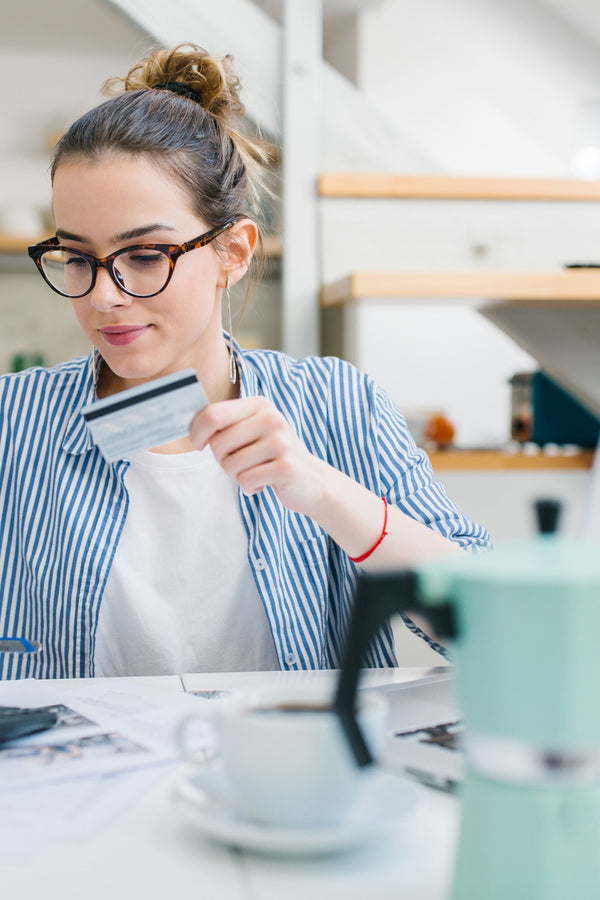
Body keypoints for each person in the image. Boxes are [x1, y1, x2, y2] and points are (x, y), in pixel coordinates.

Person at [0, 45, 490, 680]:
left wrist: (323, 492)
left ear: (232, 252)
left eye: (145, 255)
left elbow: (494, 634)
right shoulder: (15, 419)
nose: (104, 297)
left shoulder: (336, 404)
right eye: (76, 257)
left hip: (291, 774)